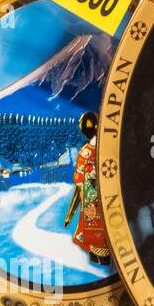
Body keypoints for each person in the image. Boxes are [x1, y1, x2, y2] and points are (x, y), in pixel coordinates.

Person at [63, 112, 110, 265]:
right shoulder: (106, 149)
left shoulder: (84, 153)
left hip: (91, 204)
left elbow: (79, 182)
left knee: (95, 241)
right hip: (107, 201)